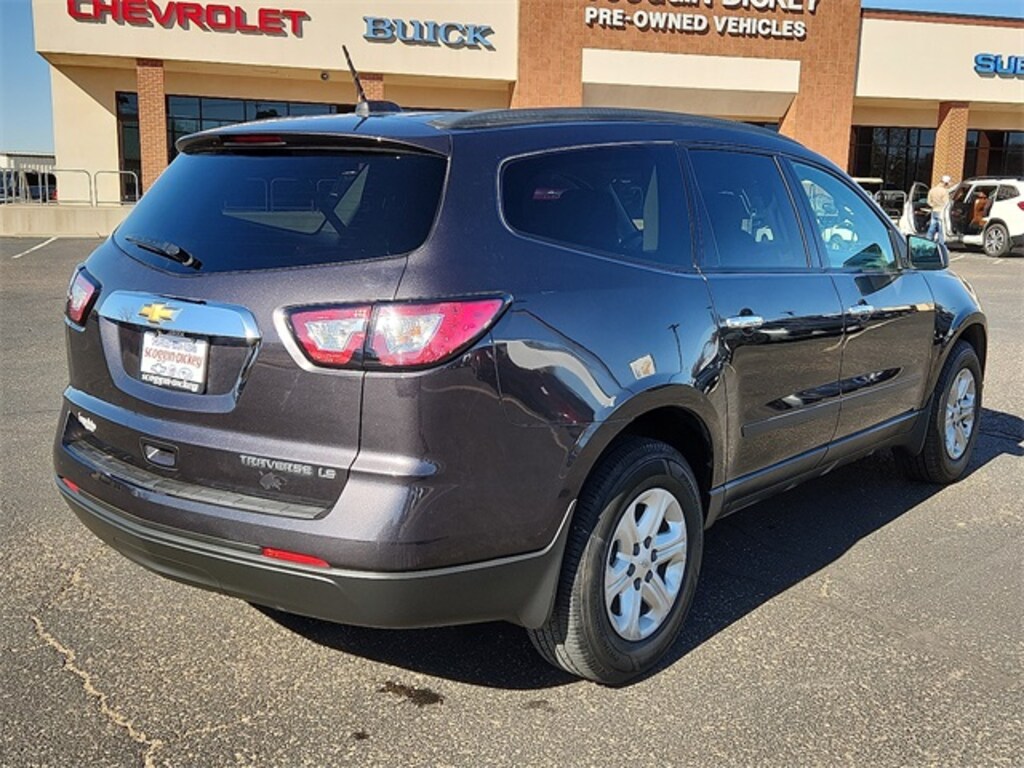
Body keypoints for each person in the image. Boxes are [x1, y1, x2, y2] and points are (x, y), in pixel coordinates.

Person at [926, 174, 953, 244]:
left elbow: (928, 202)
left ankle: (928, 242)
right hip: (941, 212)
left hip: (934, 210)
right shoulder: (944, 191)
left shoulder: (932, 190)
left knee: (932, 227)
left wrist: (934, 205)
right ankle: (941, 245)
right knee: (941, 229)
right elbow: (946, 203)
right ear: (945, 183)